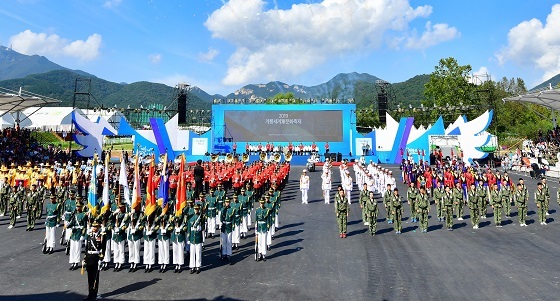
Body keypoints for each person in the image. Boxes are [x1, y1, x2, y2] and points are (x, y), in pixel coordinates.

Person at [82, 221, 107, 301]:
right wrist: (85, 258)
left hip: (96, 257)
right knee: (90, 277)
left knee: (95, 277)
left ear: (99, 227)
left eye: (95, 227)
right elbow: (87, 247)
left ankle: (94, 294)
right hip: (89, 257)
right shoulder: (89, 235)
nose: (94, 228)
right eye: (93, 227)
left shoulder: (102, 236)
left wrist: (101, 259)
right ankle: (90, 294)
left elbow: (103, 248)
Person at [68, 203, 86, 270]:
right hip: (74, 233)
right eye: (77, 206)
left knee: (77, 249)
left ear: (81, 207)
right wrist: (68, 226)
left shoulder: (83, 215)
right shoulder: (74, 215)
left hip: (79, 233)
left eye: (79, 207)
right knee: (72, 249)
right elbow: (71, 222)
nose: (78, 208)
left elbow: (84, 226)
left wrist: (82, 235)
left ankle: (76, 262)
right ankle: (72, 262)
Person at [188, 204, 203, 274]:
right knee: (192, 253)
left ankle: (198, 266)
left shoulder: (201, 217)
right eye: (195, 209)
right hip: (192, 238)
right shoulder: (191, 217)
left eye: (197, 209)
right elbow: (188, 228)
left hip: (198, 237)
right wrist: (188, 238)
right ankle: (192, 266)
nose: (196, 210)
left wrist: (201, 228)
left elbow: (203, 226)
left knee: (198, 252)